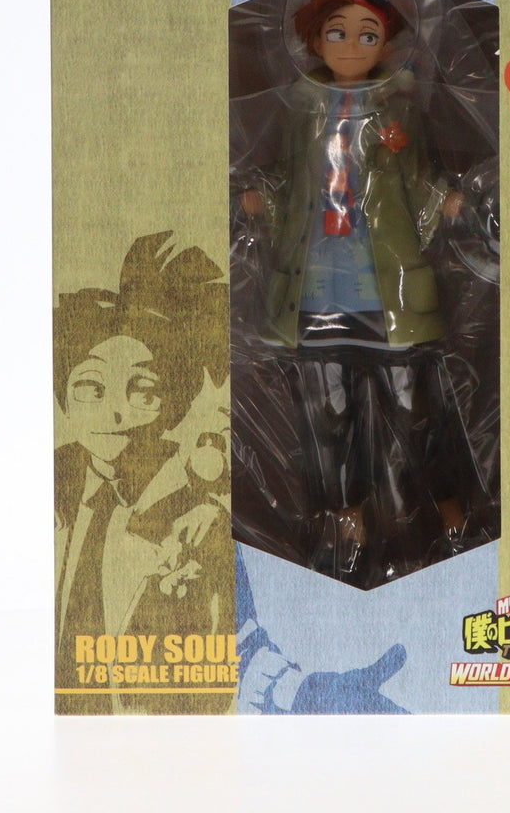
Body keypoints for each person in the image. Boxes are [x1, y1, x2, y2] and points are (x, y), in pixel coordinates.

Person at [55, 231, 408, 712]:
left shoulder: (197, 513)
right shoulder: (60, 483)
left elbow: (240, 644)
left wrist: (303, 693)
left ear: (172, 403)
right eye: (91, 388)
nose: (115, 413)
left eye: (142, 391)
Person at [238, 0, 469, 586]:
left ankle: (451, 513)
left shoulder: (398, 112)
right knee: (328, 419)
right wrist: (260, 198)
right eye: (336, 33)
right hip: (317, 287)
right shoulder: (302, 112)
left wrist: (447, 198)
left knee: (414, 410)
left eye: (367, 35)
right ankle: (348, 525)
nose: (349, 46)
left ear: (386, 45)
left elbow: (423, 178)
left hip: (386, 286)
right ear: (314, 41)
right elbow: (286, 177)